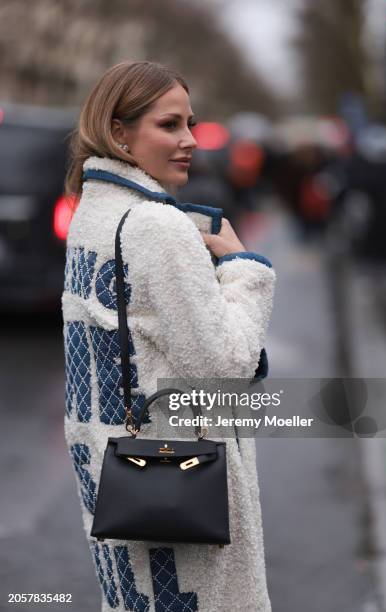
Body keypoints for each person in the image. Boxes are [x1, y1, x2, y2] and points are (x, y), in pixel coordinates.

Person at [62, 60, 277, 612]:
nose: (189, 141)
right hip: (176, 483)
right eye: (169, 125)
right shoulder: (159, 227)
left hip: (117, 476)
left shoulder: (95, 213)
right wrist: (243, 266)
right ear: (119, 132)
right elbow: (226, 363)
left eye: (191, 124)